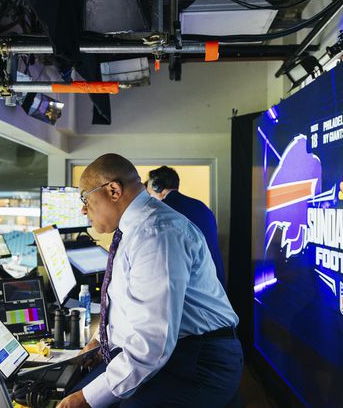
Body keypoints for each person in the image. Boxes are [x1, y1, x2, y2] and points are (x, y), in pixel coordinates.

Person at [58, 154, 242, 408]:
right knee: (74, 388)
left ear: (113, 190)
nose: (83, 208)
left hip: (200, 361)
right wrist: (100, 342)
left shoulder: (157, 233)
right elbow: (132, 305)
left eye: (84, 197)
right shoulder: (136, 229)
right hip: (177, 351)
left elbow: (152, 341)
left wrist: (84, 400)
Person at [146, 166, 226, 288]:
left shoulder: (162, 211)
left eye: (150, 192)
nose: (150, 196)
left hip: (193, 284)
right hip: (215, 281)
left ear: (158, 186)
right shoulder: (201, 207)